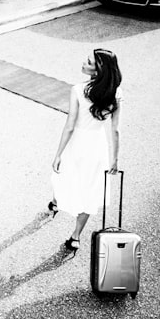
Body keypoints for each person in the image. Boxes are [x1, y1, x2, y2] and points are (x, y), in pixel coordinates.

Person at [48, 49, 122, 251]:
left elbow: (70, 125)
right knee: (91, 190)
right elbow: (115, 130)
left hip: (77, 143)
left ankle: (55, 202)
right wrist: (114, 159)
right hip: (97, 147)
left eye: (88, 62)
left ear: (97, 71)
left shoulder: (78, 90)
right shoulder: (115, 93)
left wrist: (58, 153)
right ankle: (75, 236)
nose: (83, 62)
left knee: (62, 174)